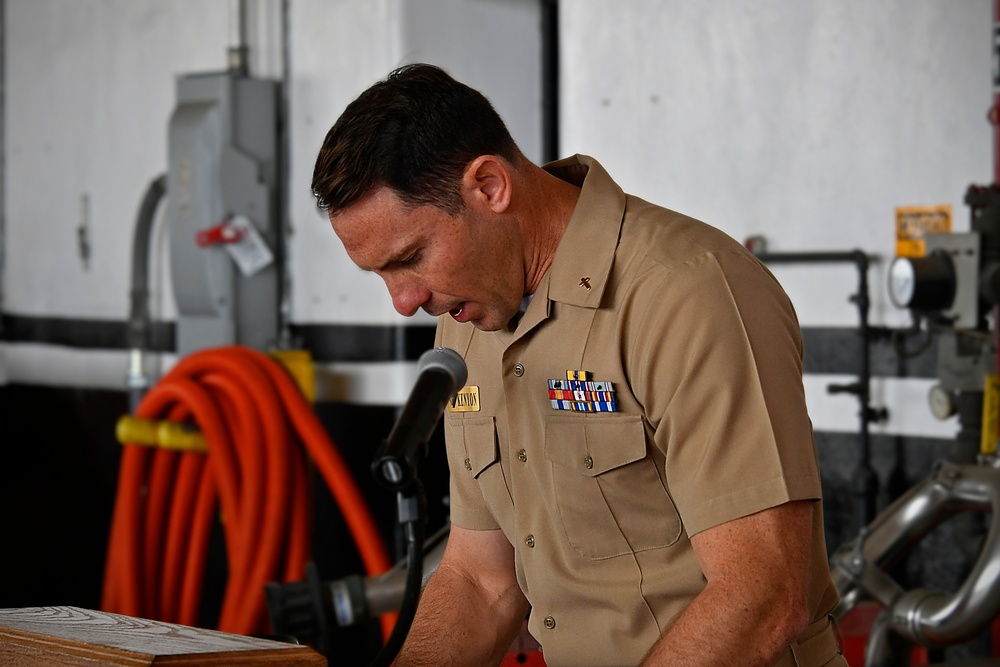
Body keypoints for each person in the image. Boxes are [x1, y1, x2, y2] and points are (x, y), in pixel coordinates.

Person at [311, 63, 846, 667]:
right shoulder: (466, 320)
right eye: (380, 274)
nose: (403, 302)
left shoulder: (687, 292)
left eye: (410, 258)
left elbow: (762, 596)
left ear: (489, 187)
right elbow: (480, 582)